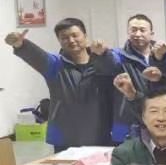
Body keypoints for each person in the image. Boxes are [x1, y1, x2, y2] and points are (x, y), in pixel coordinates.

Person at [6, 18, 111, 151]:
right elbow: (37, 56)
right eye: (64, 38)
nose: (71, 40)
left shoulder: (101, 63)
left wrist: (105, 53)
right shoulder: (55, 65)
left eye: (75, 35)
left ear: (85, 36)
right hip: (66, 136)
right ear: (59, 41)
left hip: (100, 132)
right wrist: (21, 45)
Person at [88, 14, 166, 143]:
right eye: (133, 30)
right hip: (129, 122)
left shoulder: (164, 56)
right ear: (128, 32)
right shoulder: (119, 55)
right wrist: (102, 54)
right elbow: (110, 63)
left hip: (160, 119)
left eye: (142, 30)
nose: (137, 34)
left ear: (151, 34)